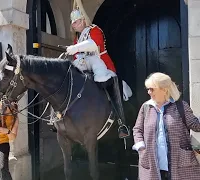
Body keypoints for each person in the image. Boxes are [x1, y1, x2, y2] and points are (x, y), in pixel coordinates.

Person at [65, 0, 129, 138]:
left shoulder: (95, 30)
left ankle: (121, 123)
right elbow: (77, 55)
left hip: (102, 63)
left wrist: (75, 48)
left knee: (107, 81)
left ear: (82, 21)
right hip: (85, 64)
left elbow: (94, 45)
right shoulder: (78, 38)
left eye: (75, 22)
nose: (73, 25)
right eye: (73, 23)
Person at [132, 72, 200, 180]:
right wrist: (141, 146)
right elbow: (137, 129)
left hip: (179, 164)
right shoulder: (146, 107)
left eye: (152, 89)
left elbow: (196, 125)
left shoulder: (181, 106)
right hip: (152, 164)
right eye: (148, 89)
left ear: (164, 89)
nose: (149, 92)